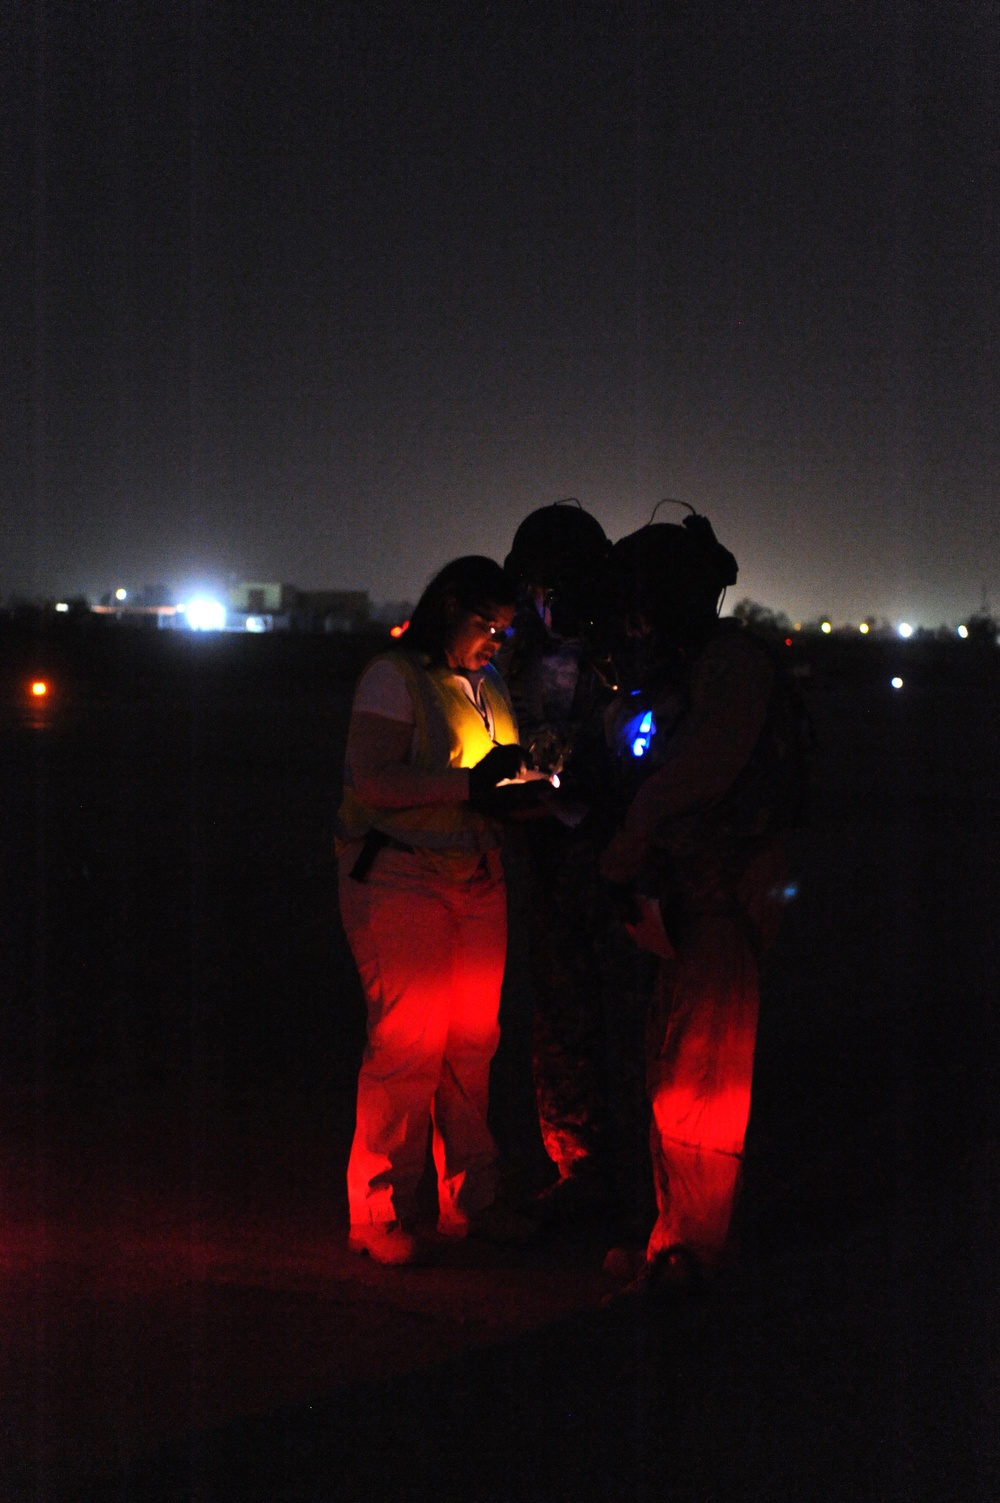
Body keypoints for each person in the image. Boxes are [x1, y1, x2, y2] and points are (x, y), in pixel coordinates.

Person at [598, 511, 805, 1290]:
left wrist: (632, 835)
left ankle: (696, 1253)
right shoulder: (700, 664)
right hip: (687, 906)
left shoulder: (731, 666)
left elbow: (699, 772)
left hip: (717, 909)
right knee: (676, 1074)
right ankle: (674, 1236)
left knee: (703, 1085)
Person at [337, 555, 538, 1265]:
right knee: (406, 1046)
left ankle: (472, 1200)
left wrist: (524, 792)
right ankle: (380, 1211)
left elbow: (492, 773)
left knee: (473, 1046)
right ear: (449, 606)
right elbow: (372, 777)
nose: (496, 641)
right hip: (401, 878)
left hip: (478, 880)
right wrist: (468, 787)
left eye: (506, 631)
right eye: (488, 625)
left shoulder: (486, 683)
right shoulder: (395, 677)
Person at [501, 502, 624, 1219]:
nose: (545, 604)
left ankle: (646, 1168)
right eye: (535, 589)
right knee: (561, 1008)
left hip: (614, 842)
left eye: (556, 586)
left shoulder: (625, 643)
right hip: (545, 844)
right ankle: (580, 1167)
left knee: (629, 1005)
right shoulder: (512, 644)